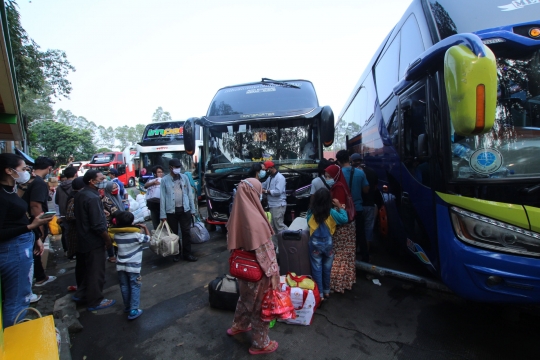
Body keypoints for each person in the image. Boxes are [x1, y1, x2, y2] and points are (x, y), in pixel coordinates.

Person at [226, 178, 280, 355]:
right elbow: (265, 254)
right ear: (253, 194)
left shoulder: (237, 215)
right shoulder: (256, 220)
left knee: (244, 299)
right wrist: (274, 274)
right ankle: (260, 343)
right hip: (259, 273)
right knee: (259, 307)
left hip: (242, 270)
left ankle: (238, 326)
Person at [0, 153, 53, 328]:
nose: (27, 172)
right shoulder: (2, 196)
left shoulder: (12, 190)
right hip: (12, 250)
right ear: (9, 171)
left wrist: (35, 237)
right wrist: (31, 227)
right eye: (23, 169)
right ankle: (14, 338)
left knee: (22, 293)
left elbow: (20, 217)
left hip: (22, 244)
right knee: (17, 298)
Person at [73, 170, 116, 311]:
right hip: (93, 240)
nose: (104, 179)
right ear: (92, 181)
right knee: (95, 271)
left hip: (82, 238)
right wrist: (107, 239)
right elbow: (97, 224)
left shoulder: (81, 194)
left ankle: (82, 294)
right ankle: (95, 301)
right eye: (101, 178)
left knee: (86, 269)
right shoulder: (92, 197)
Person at [307, 188, 348, 301]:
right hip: (328, 243)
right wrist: (340, 206)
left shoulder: (312, 212)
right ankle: (327, 291)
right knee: (327, 268)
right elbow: (344, 219)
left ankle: (319, 294)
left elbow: (308, 222)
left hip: (314, 244)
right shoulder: (331, 212)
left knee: (316, 268)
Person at [108, 211, 150, 320]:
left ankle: (127, 306)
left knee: (124, 286)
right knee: (135, 286)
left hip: (121, 265)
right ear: (131, 222)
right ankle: (134, 309)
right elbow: (148, 239)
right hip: (133, 267)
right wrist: (145, 228)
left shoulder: (116, 235)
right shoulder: (137, 236)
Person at [22, 156, 57, 287]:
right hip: (34, 222)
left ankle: (40, 276)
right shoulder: (39, 183)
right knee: (37, 250)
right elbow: (35, 205)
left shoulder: (29, 181)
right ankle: (40, 277)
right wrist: (41, 229)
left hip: (28, 221)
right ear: (49, 168)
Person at [324, 164, 357, 293]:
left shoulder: (338, 187)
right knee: (345, 255)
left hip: (343, 227)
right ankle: (345, 282)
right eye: (326, 176)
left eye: (329, 176)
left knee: (338, 255)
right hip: (347, 225)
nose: (327, 179)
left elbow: (340, 211)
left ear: (336, 176)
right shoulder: (339, 185)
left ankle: (338, 284)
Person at [160, 159, 198, 262]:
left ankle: (187, 254)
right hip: (171, 211)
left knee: (186, 232)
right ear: (170, 167)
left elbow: (190, 194)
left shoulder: (184, 177)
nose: (178, 169)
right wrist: (162, 215)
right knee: (174, 234)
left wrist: (193, 210)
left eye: (179, 167)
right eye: (176, 167)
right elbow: (162, 198)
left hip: (185, 210)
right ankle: (176, 253)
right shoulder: (164, 180)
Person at [336, 150, 370, 261]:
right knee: (361, 236)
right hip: (357, 209)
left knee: (343, 238)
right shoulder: (360, 173)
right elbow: (366, 190)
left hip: (342, 210)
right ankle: (366, 262)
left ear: (338, 161)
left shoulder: (337, 175)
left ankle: (347, 263)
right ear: (349, 159)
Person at [65, 177, 85, 291]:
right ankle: (81, 286)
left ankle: (82, 285)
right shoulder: (74, 198)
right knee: (81, 262)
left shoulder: (78, 196)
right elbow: (69, 216)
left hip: (79, 233)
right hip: (77, 235)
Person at [261, 160, 288, 238]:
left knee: (279, 226)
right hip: (272, 205)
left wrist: (265, 191)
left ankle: (290, 239)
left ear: (272, 168)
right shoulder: (270, 177)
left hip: (278, 205)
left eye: (267, 169)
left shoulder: (280, 178)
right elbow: (264, 184)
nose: (266, 171)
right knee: (272, 227)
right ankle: (276, 247)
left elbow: (278, 192)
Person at [56, 166, 77, 257]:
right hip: (74, 214)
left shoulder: (59, 187)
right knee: (75, 233)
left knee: (66, 233)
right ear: (75, 174)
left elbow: (56, 201)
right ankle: (75, 251)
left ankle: (68, 251)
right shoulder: (76, 185)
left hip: (63, 214)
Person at [102, 181, 124, 263]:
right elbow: (114, 211)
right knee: (111, 240)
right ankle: (112, 256)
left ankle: (117, 254)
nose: (115, 189)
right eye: (113, 188)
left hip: (117, 221)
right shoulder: (107, 199)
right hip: (110, 223)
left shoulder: (116, 196)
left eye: (116, 187)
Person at [144, 165, 164, 230]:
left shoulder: (164, 180)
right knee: (156, 222)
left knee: (164, 222)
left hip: (162, 204)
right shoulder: (151, 180)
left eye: (161, 172)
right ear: (155, 173)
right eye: (159, 172)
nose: (161, 173)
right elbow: (145, 185)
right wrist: (153, 183)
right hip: (153, 204)